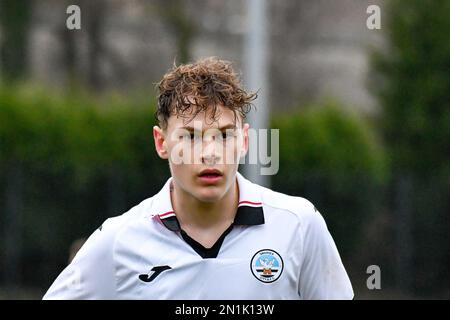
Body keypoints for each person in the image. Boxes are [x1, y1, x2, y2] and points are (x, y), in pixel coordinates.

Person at [43, 57, 353, 300]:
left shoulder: (300, 225)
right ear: (161, 143)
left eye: (224, 135)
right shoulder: (118, 241)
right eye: (191, 137)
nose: (210, 153)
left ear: (245, 141)